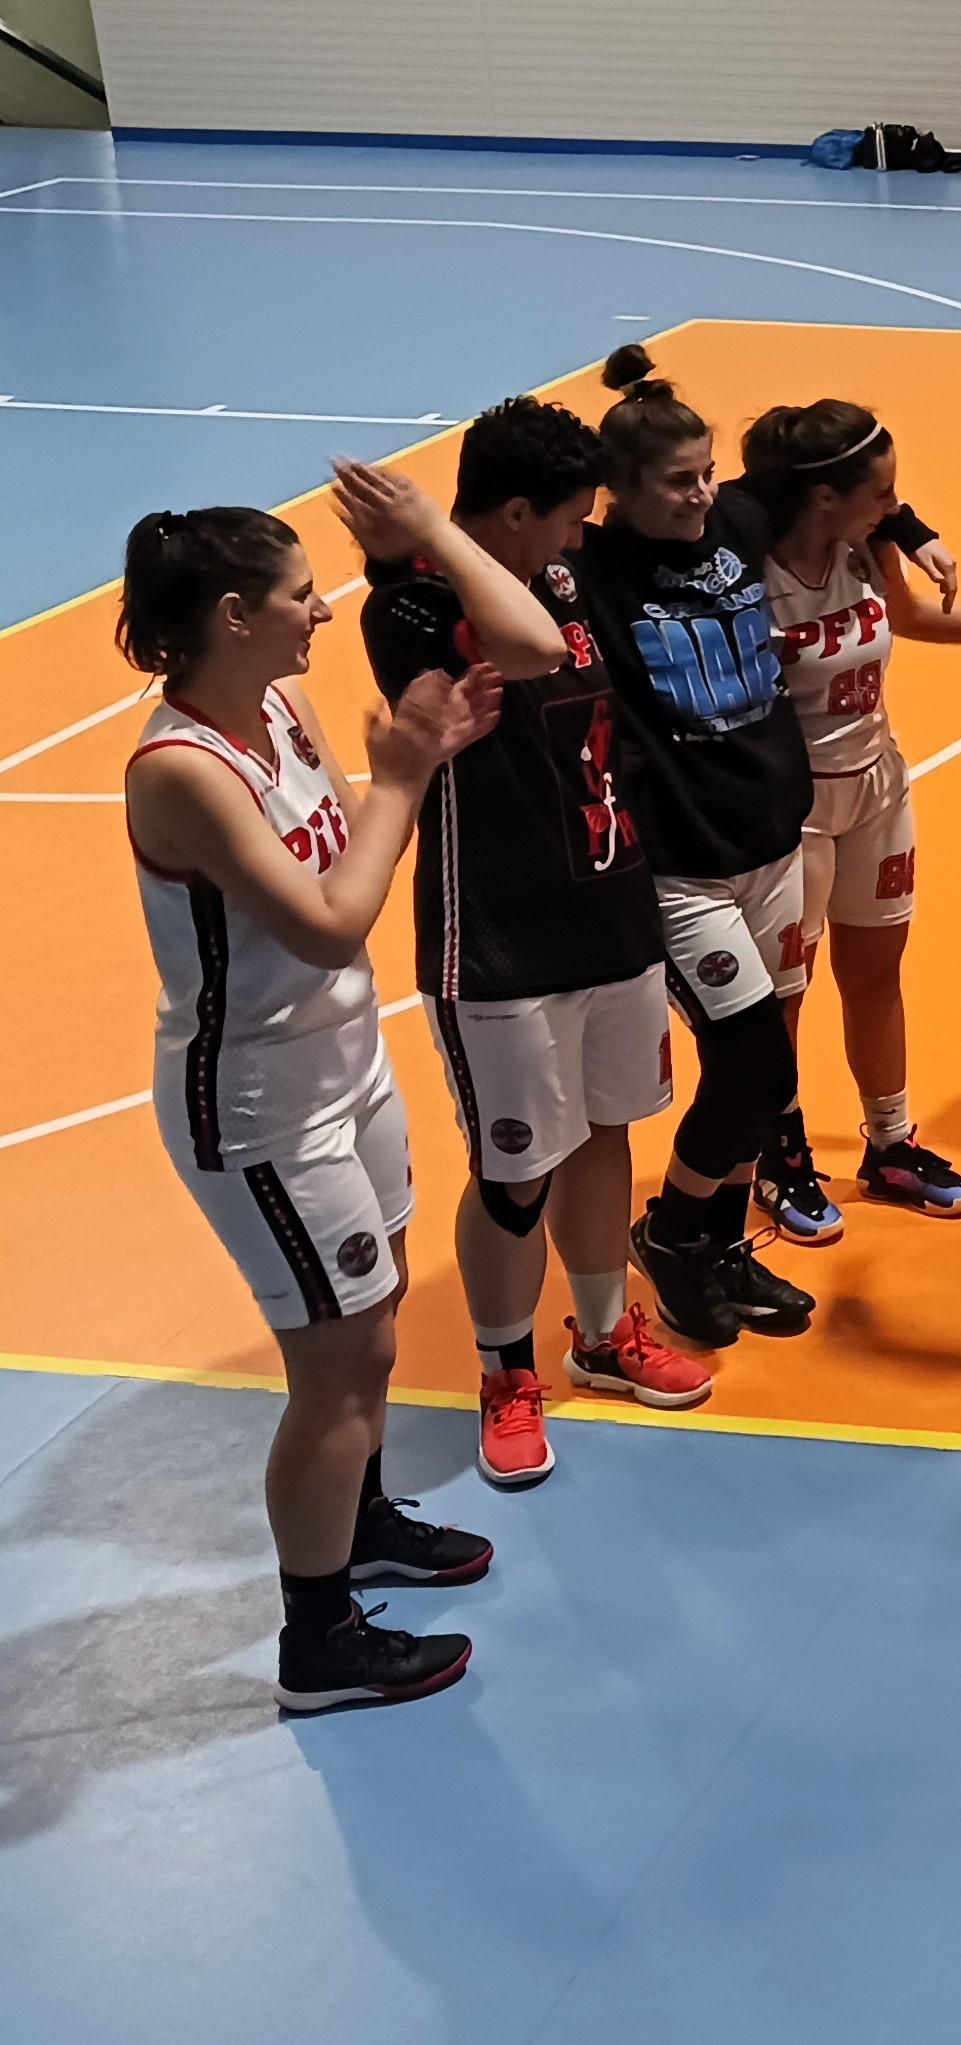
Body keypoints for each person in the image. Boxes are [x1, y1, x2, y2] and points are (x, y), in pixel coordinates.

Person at [119, 496, 502, 1711]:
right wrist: (405, 772)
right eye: (298, 594)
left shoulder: (281, 706)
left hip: (346, 1069)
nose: (323, 609)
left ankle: (366, 1518)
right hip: (260, 1109)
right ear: (234, 616)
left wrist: (412, 765)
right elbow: (333, 918)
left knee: (373, 1311)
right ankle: (318, 1637)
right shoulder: (180, 769)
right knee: (342, 1361)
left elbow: (344, 856)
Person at [358, 401, 714, 1493]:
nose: (578, 536)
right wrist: (427, 529)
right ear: (509, 514)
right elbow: (522, 647)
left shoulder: (559, 575)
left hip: (608, 911)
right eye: (563, 517)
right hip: (499, 938)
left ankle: (601, 1332)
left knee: (608, 1130)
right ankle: (504, 1371)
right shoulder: (415, 604)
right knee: (517, 1168)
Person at [573, 348, 823, 1347]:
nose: (701, 494)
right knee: (751, 1060)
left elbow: (839, 470)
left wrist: (910, 524)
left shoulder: (737, 522)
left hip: (772, 843)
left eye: (707, 472)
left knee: (767, 1069)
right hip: (684, 869)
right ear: (618, 492)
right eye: (677, 482)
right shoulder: (590, 571)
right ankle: (674, 1230)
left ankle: (720, 1243)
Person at [741, 395, 961, 1235]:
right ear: (824, 495)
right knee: (786, 994)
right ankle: (776, 1156)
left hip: (879, 785)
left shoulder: (865, 544)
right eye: (884, 493)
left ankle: (890, 1142)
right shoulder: (747, 571)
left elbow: (909, 618)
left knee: (876, 972)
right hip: (793, 809)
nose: (897, 506)